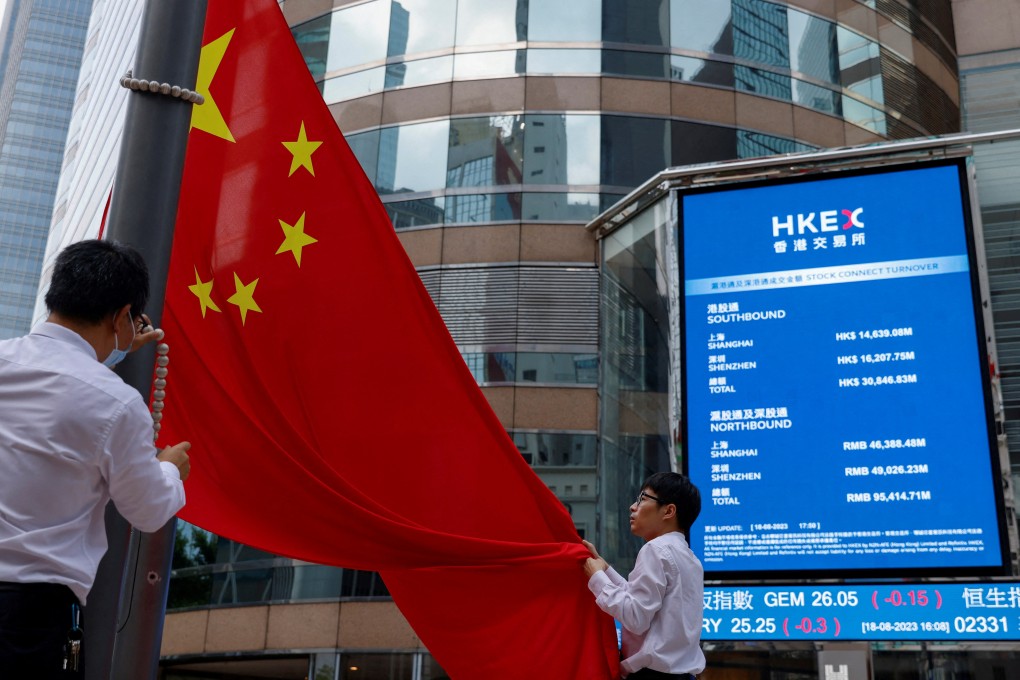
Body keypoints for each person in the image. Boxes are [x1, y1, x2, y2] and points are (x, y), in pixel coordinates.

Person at [0, 239, 191, 678]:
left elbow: (56, 390)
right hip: (28, 618)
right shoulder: (117, 405)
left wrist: (117, 351)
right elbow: (146, 509)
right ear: (123, 315)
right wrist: (169, 469)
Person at [583, 472, 705, 680]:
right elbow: (642, 601)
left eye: (643, 499)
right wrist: (605, 570)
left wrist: (597, 578)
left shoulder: (655, 550)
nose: (633, 506)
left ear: (669, 511)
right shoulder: (690, 558)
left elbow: (636, 617)